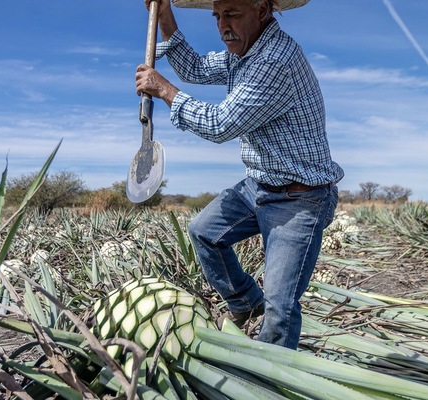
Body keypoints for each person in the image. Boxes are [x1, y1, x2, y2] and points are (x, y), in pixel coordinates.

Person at [135, 0, 344, 349]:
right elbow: (195, 68)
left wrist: (165, 90)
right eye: (217, 16)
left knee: (280, 308)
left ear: (261, 10)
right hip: (260, 184)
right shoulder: (243, 53)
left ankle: (268, 374)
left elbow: (220, 125)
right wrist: (166, 13)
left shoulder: (274, 60)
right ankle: (245, 300)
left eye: (232, 14)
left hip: (300, 197)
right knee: (204, 232)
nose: (222, 26)